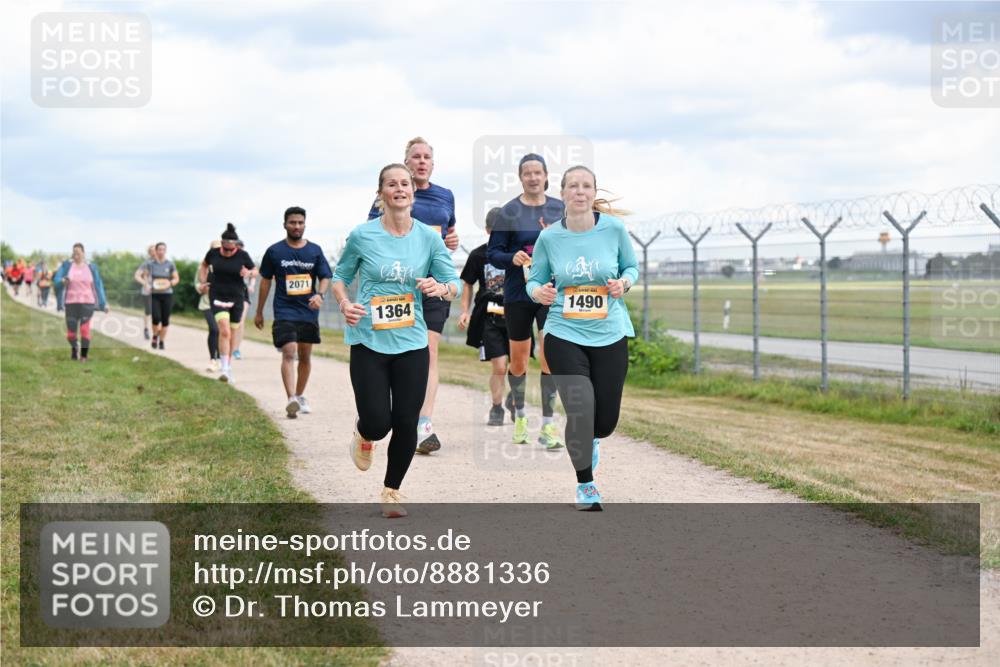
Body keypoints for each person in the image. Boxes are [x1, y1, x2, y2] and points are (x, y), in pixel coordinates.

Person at [335, 163, 462, 517]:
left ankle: (392, 491)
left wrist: (440, 287)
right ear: (382, 193)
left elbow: (454, 282)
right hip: (368, 339)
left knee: (407, 420)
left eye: (405, 183)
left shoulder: (429, 238)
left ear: (413, 191)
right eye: (392, 184)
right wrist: (345, 303)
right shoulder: (362, 235)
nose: (400, 189)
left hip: (411, 342)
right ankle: (363, 435)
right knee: (378, 422)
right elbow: (339, 277)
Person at [526, 165, 637, 510]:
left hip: (609, 332)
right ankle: (585, 485)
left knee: (603, 422)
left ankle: (591, 440)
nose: (579, 191)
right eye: (572, 186)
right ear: (562, 194)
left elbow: (631, 268)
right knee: (580, 408)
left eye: (586, 186)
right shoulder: (550, 238)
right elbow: (534, 279)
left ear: (593, 192)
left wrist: (624, 283)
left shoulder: (614, 229)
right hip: (563, 331)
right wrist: (537, 293)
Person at [367, 137, 459, 455]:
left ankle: (423, 423)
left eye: (427, 157)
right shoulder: (394, 194)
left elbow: (448, 238)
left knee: (429, 351)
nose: (421, 161)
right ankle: (375, 409)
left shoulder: (446, 196)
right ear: (406, 161)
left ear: (433, 163)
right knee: (391, 356)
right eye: (416, 157)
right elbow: (371, 237)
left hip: (430, 287)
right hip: (394, 290)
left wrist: (451, 241)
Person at [487, 153, 566, 449]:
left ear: (546, 176)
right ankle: (520, 415)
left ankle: (548, 425)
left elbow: (575, 243)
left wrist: (553, 240)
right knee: (519, 361)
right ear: (520, 177)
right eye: (527, 173)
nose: (533, 178)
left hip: (550, 293)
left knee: (550, 357)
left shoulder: (560, 209)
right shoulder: (509, 212)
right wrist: (512, 257)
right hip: (519, 294)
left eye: (538, 172)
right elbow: (493, 253)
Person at [255, 206, 332, 419]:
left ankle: (299, 395)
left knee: (305, 356)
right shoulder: (274, 251)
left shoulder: (315, 251)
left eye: (300, 222)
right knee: (289, 352)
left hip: (308, 312)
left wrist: (320, 295)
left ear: (305, 224)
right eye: (292, 223)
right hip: (284, 311)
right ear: (285, 225)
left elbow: (325, 276)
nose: (296, 226)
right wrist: (259, 311)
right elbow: (265, 282)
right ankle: (290, 399)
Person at [458, 207, 514, 425]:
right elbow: (467, 284)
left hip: (515, 314)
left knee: (518, 366)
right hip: (489, 316)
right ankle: (497, 407)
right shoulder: (479, 255)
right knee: (500, 366)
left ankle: (513, 399)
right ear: (488, 230)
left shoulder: (518, 256)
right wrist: (465, 310)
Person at [197, 224, 256, 383]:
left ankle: (228, 366)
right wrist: (203, 281)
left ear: (236, 245)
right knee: (224, 331)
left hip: (236, 297)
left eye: (232, 249)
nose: (228, 252)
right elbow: (203, 265)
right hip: (217, 295)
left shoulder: (243, 255)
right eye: (226, 249)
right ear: (222, 244)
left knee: (233, 331)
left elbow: (256, 270)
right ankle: (223, 368)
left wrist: (248, 272)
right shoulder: (213, 253)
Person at [54, 243, 109, 361]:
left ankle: (84, 356)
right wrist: (63, 281)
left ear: (83, 253)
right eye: (74, 253)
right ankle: (75, 347)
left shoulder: (91, 267)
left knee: (84, 330)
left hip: (87, 303)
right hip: (71, 303)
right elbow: (56, 280)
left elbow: (98, 285)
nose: (76, 255)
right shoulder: (67, 266)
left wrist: (104, 303)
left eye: (78, 253)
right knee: (71, 335)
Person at [137, 242, 180, 350]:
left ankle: (162, 341)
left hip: (167, 295)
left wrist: (170, 283)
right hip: (154, 295)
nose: (161, 251)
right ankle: (155, 335)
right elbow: (142, 275)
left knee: (165, 321)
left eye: (163, 249)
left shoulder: (170, 264)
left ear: (165, 251)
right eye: (159, 249)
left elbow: (176, 278)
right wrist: (146, 284)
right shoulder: (150, 264)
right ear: (155, 251)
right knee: (156, 318)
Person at [195, 241, 222, 373]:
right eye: (213, 249)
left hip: (222, 303)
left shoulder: (226, 265)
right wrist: (202, 288)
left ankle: (221, 358)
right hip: (207, 303)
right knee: (214, 329)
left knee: (222, 332)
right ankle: (213, 359)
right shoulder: (203, 265)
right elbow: (197, 283)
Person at [231, 239, 256, 361]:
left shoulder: (245, 259)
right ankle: (226, 346)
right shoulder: (227, 259)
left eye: (241, 247)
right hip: (228, 293)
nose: (239, 249)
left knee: (240, 321)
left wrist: (251, 284)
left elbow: (254, 273)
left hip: (243, 293)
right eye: (237, 247)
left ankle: (236, 349)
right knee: (229, 322)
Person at [133, 245, 156, 340]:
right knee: (148, 311)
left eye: (154, 250)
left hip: (159, 290)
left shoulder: (163, 263)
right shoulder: (146, 263)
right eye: (151, 251)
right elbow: (137, 275)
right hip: (147, 290)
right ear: (149, 253)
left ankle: (156, 332)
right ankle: (146, 329)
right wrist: (145, 284)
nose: (153, 252)